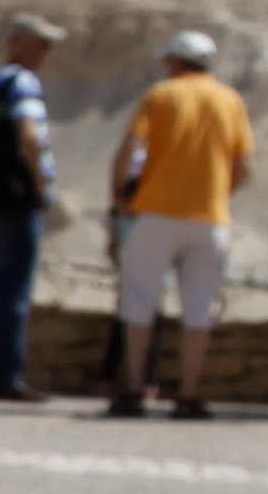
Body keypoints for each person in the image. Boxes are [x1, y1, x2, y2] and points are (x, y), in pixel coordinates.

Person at [100, 28, 250, 417]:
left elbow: (131, 147)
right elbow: (242, 164)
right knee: (199, 306)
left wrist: (120, 197)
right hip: (211, 217)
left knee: (139, 299)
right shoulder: (231, 100)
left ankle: (135, 388)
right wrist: (217, 194)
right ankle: (188, 392)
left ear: (176, 62)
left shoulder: (162, 95)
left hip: (157, 212)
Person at [0, 13, 60, 401]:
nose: (47, 52)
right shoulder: (24, 84)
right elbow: (30, 135)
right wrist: (39, 182)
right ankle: (6, 374)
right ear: (20, 44)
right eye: (42, 43)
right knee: (15, 286)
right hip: (16, 197)